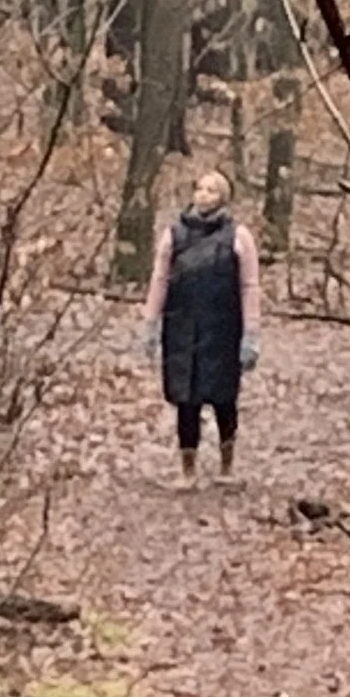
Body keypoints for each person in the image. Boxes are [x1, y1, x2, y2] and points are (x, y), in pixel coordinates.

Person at [141, 169, 261, 481]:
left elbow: (250, 287)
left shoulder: (239, 237)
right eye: (200, 188)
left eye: (211, 190)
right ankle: (188, 471)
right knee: (186, 400)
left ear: (223, 197)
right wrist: (150, 323)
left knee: (224, 399)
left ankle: (226, 466)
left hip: (223, 329)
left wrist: (251, 334)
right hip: (181, 328)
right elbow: (160, 279)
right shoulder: (174, 235)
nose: (204, 195)